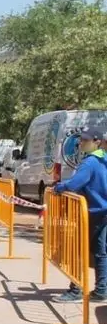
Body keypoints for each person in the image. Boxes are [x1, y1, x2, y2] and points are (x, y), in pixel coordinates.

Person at [52, 127, 107, 303]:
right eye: (81, 139)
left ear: (97, 142)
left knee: (77, 250)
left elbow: (75, 183)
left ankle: (76, 290)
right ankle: (101, 290)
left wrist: (59, 187)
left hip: (90, 212)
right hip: (102, 211)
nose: (80, 142)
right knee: (100, 251)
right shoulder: (103, 159)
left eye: (85, 140)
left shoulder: (90, 162)